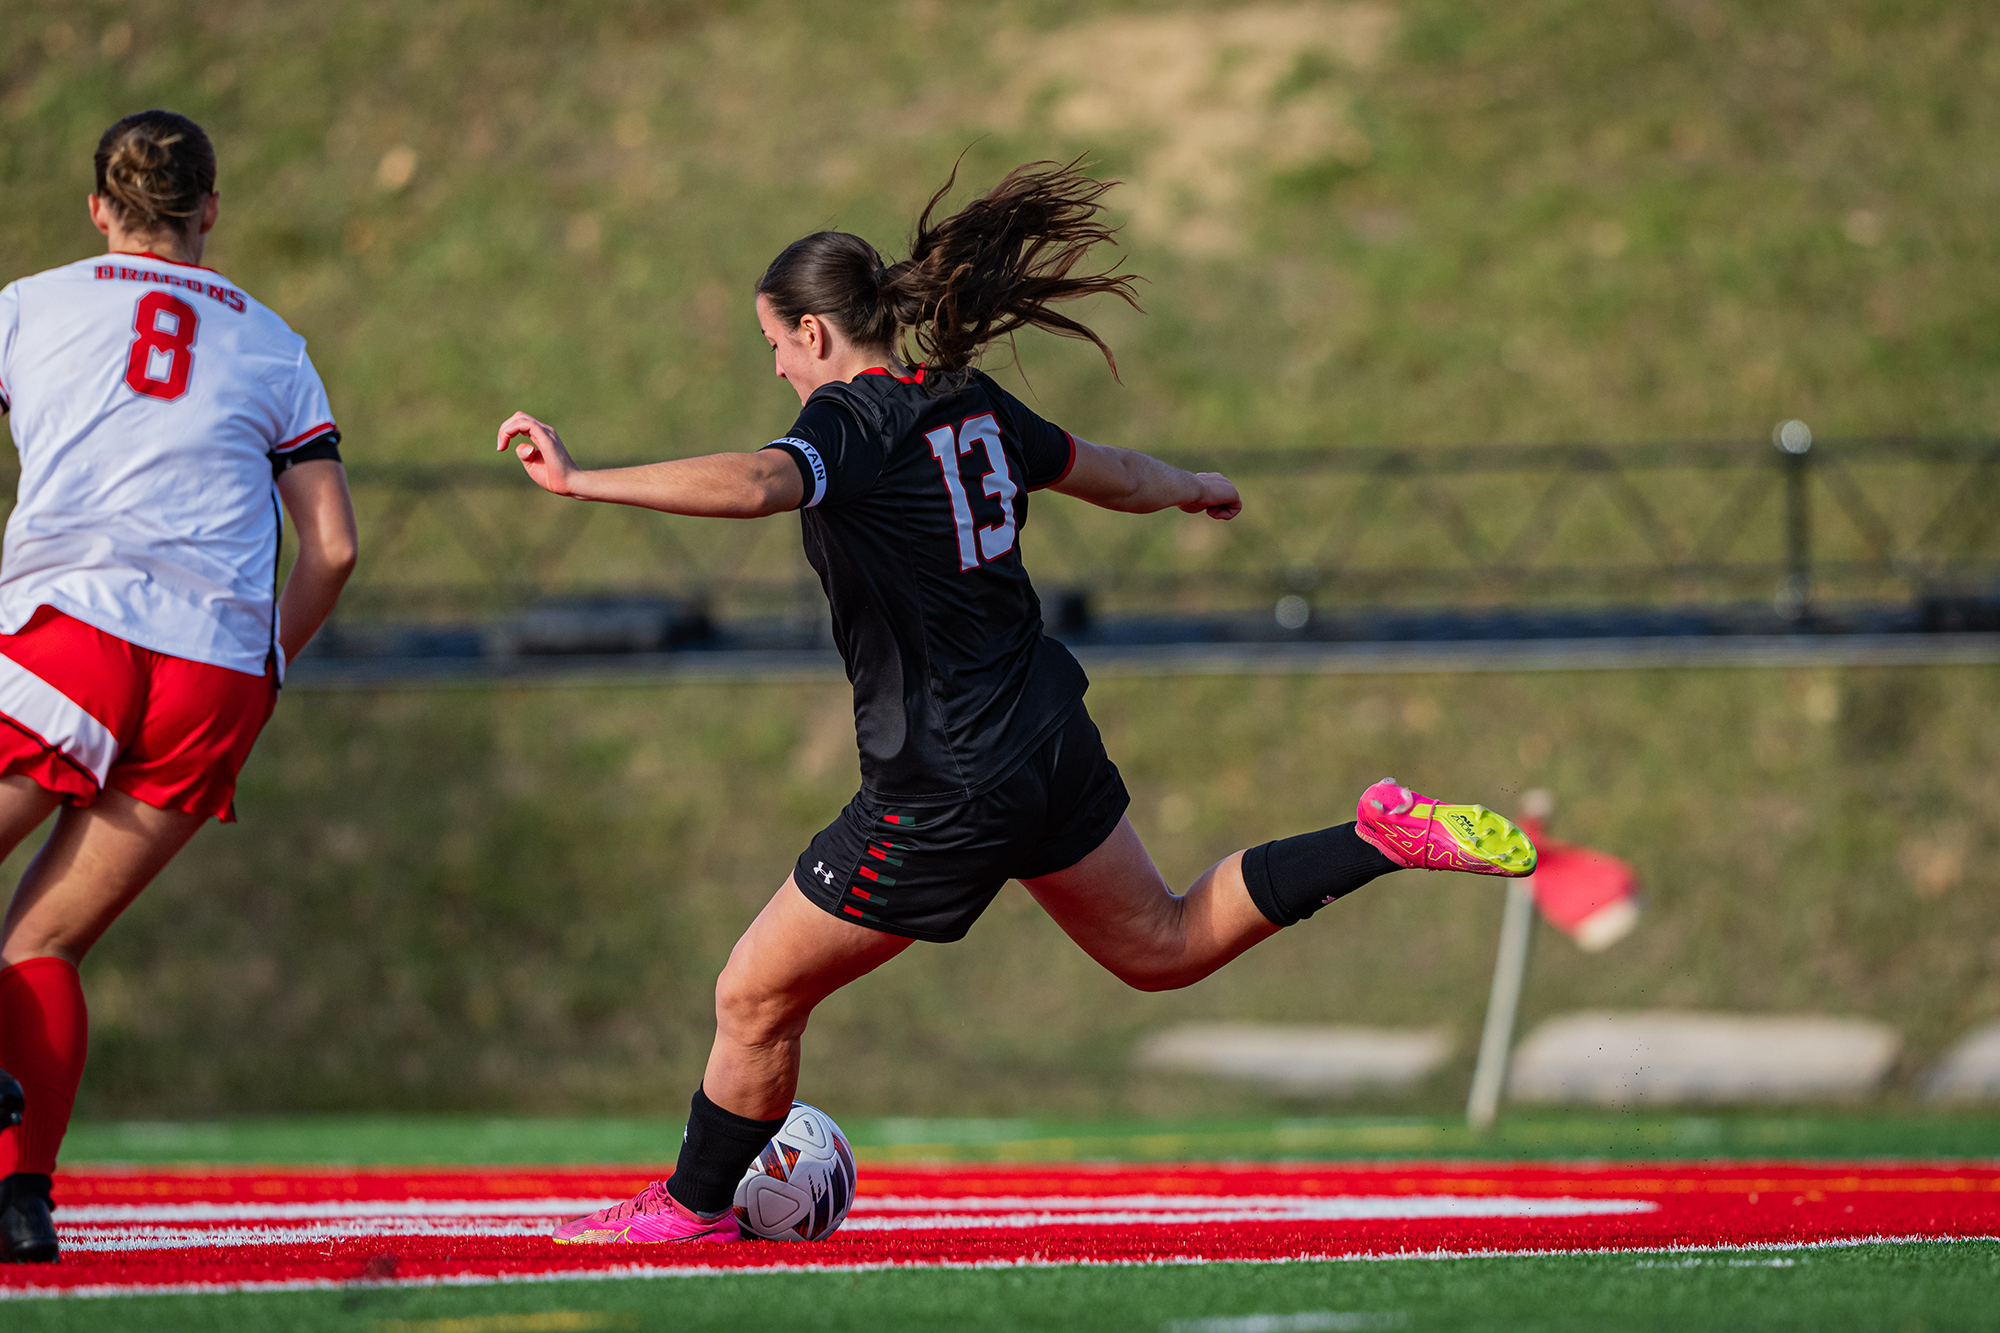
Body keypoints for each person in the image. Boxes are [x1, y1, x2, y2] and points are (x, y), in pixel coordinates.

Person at [498, 161, 1534, 1245]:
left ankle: (691, 1208)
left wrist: (582, 480)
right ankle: (1375, 836)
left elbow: (760, 483)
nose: (774, 369)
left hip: (946, 778)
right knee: (1163, 943)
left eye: (770, 345)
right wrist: (1190, 484)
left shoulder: (850, 424)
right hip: (1045, 734)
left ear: (812, 334)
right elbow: (1109, 469)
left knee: (752, 997)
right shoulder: (967, 402)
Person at [0, 111, 358, 1262]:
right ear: (209, 212)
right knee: (40, 946)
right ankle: (20, 1203)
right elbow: (334, 548)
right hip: (215, 674)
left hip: (75, 631)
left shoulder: (31, 304)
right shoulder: (274, 344)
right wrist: (266, 667)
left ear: (99, 211)